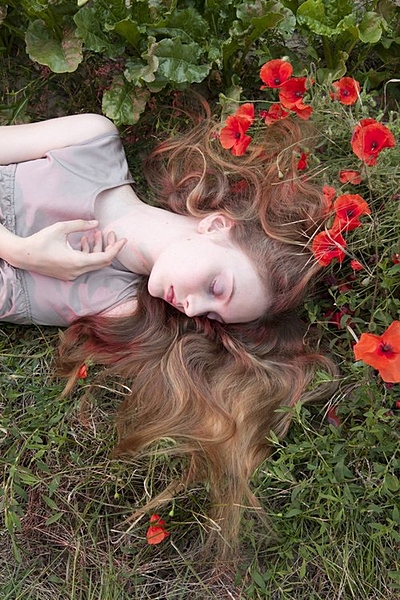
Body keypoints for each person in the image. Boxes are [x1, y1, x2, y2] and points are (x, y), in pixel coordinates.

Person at [0, 103, 336, 559]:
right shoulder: (90, 143)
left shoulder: (116, 309)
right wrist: (19, 252)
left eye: (213, 316)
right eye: (217, 287)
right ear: (216, 226)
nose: (194, 307)